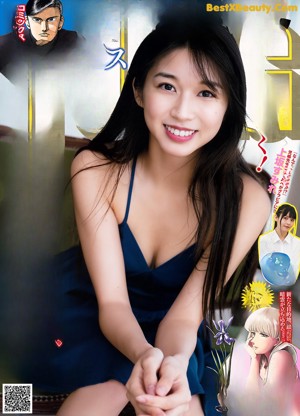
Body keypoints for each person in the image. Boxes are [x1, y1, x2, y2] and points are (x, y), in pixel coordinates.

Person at [53, 7, 270, 416]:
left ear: (228, 106)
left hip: (179, 333)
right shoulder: (95, 172)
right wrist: (141, 356)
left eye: (206, 93)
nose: (183, 112)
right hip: (95, 314)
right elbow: (113, 305)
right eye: (167, 86)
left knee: (178, 408)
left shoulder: (246, 200)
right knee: (87, 405)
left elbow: (186, 318)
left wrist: (165, 367)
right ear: (138, 90)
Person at [0, 0, 83, 80]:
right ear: (27, 22)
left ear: (60, 22)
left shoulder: (75, 40)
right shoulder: (6, 44)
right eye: (37, 20)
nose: (44, 28)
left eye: (51, 20)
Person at [244, 307, 299, 415]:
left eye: (263, 334)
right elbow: (250, 398)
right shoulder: (262, 359)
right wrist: (255, 358)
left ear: (278, 339)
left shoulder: (281, 356)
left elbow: (270, 403)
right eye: (253, 333)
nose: (254, 340)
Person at [259, 203, 300, 283]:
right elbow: (264, 267)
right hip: (266, 282)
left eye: (292, 220)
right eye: (285, 218)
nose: (288, 223)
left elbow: (294, 270)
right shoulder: (264, 239)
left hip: (287, 284)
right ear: (276, 217)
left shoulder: (297, 243)